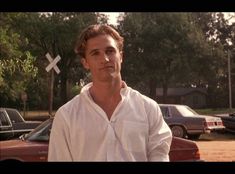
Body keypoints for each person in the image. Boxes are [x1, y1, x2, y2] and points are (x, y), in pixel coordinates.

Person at [48, 24, 172, 161]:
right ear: (85, 63)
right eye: (95, 53)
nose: (105, 59)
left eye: (110, 51)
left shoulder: (149, 109)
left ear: (121, 56)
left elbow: (159, 156)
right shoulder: (66, 116)